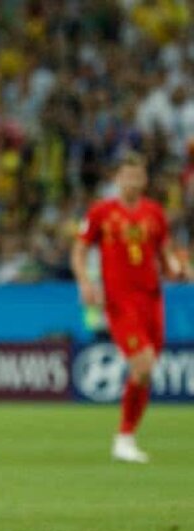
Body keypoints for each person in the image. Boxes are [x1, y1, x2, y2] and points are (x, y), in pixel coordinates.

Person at [72, 152, 190, 463]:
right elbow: (79, 251)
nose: (132, 182)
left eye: (138, 176)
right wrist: (85, 282)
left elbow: (165, 253)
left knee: (146, 371)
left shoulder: (154, 212)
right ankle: (123, 438)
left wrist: (179, 267)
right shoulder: (101, 212)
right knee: (144, 364)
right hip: (120, 301)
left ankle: (127, 436)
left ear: (145, 179)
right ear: (117, 178)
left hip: (152, 298)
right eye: (127, 176)